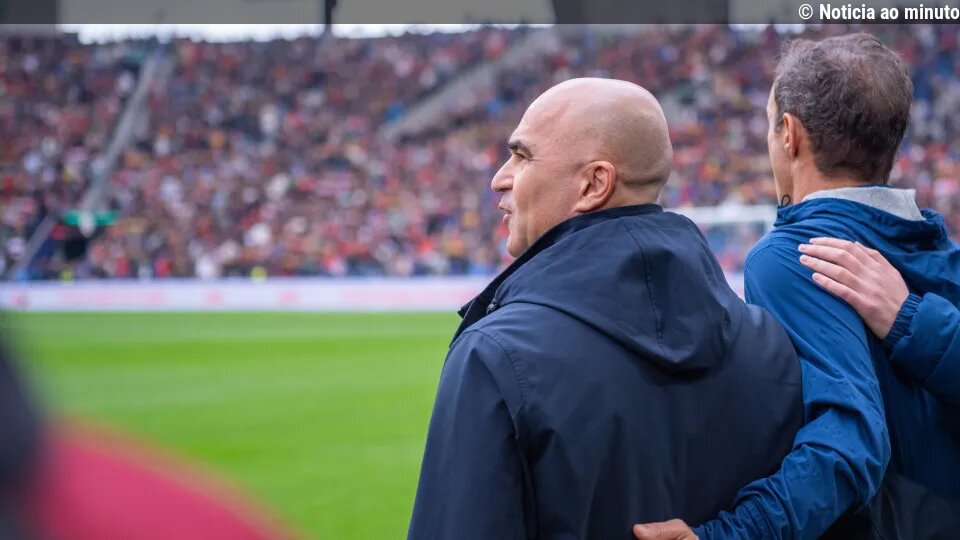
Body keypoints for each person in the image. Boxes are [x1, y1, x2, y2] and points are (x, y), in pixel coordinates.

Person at [406, 77, 804, 539]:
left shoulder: (496, 354)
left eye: (522, 156)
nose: (499, 178)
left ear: (594, 184)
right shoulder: (771, 344)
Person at [636, 33, 960, 540]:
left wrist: (731, 534)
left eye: (770, 123)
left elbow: (849, 444)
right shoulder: (941, 251)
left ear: (789, 134)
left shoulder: (792, 257)